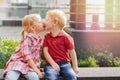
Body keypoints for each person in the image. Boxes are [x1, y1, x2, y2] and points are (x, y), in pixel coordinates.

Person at [4, 14, 45, 80]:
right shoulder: (28, 39)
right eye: (40, 21)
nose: (43, 22)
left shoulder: (39, 39)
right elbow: (28, 57)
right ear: (33, 27)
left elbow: (36, 57)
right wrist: (37, 70)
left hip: (29, 67)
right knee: (11, 77)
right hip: (18, 63)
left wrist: (38, 68)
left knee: (34, 77)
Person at [43, 9, 79, 80]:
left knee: (71, 76)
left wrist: (75, 66)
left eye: (47, 20)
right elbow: (45, 52)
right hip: (50, 65)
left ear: (55, 22)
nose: (45, 22)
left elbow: (72, 52)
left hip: (65, 64)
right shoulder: (47, 37)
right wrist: (53, 63)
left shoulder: (66, 37)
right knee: (51, 77)